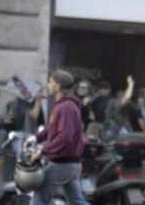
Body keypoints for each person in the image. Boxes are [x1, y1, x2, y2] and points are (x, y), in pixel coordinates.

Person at [24, 70, 89, 205]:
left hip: (62, 164)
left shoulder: (66, 107)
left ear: (58, 86)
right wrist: (35, 138)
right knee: (77, 202)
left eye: (50, 82)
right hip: (69, 164)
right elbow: (52, 129)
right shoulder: (63, 105)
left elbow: (65, 136)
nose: (48, 85)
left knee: (39, 198)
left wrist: (42, 152)